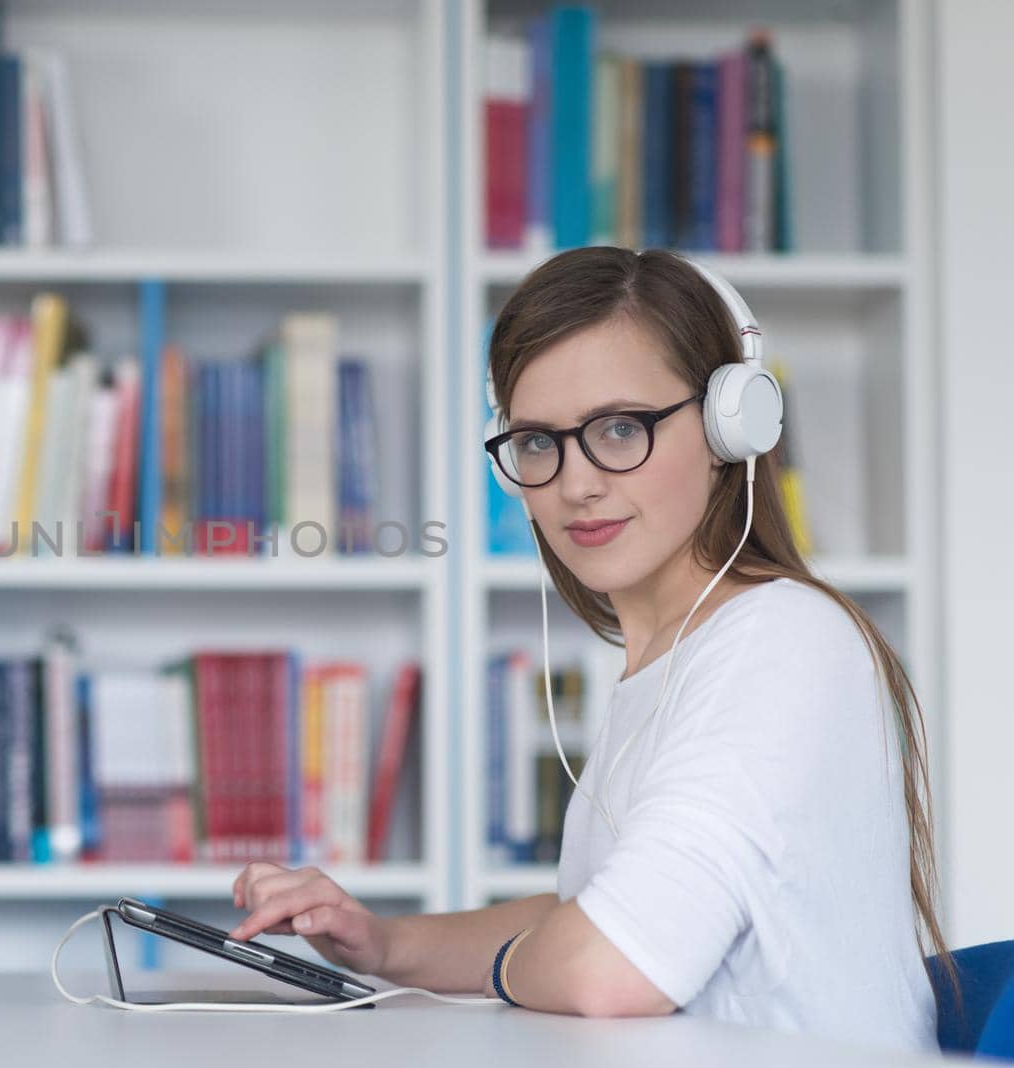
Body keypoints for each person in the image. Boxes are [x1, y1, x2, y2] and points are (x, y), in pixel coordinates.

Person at [227, 246, 951, 1052]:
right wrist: (384, 944)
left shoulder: (782, 642)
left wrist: (532, 962)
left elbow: (609, 965)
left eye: (619, 428)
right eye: (538, 442)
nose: (576, 483)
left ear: (727, 427)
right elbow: (588, 916)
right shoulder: (669, 661)